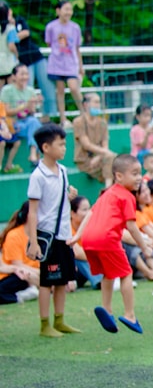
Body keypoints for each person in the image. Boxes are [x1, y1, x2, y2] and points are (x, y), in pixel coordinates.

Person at [71, 154, 153, 333]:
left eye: (140, 173)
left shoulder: (107, 193)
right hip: (107, 239)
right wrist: (144, 246)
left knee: (108, 274)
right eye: (134, 173)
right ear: (119, 176)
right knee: (126, 273)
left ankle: (107, 310)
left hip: (89, 239)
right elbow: (131, 226)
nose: (139, 178)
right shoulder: (127, 197)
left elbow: (90, 214)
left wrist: (77, 236)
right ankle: (130, 314)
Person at [24, 124, 78, 336]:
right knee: (47, 281)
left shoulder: (62, 171)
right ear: (46, 147)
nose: (64, 148)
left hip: (64, 233)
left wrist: (69, 195)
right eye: (60, 144)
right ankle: (45, 323)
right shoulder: (38, 176)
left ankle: (59, 320)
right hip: (48, 235)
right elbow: (33, 211)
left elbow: (59, 200)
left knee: (62, 279)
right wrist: (33, 241)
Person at [44, 0, 84, 128]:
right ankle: (63, 119)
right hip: (56, 63)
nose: (68, 12)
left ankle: (84, 113)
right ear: (58, 11)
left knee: (74, 87)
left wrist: (81, 66)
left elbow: (77, 48)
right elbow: (49, 43)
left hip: (71, 63)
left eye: (70, 9)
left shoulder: (75, 27)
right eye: (66, 9)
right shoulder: (51, 27)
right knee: (60, 90)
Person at [13, 8, 56, 118]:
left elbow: (26, 33)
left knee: (48, 86)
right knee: (28, 88)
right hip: (23, 61)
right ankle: (29, 116)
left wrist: (11, 38)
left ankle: (50, 116)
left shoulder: (19, 20)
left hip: (36, 56)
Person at [1, 64, 42, 169]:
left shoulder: (30, 90)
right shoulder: (7, 90)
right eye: (22, 74)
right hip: (11, 124)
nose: (25, 77)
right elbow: (6, 112)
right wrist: (25, 106)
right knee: (34, 126)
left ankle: (33, 154)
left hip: (26, 122)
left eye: (26, 74)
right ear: (14, 76)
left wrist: (34, 105)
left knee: (34, 122)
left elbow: (31, 113)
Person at [0, 202, 41, 305]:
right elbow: (16, 265)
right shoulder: (14, 236)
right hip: (12, 277)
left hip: (26, 274)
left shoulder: (42, 236)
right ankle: (22, 295)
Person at [72, 93, 116, 185]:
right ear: (86, 104)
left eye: (99, 102)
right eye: (95, 102)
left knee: (115, 164)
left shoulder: (102, 123)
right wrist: (105, 153)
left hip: (100, 158)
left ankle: (108, 188)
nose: (98, 105)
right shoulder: (79, 122)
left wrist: (99, 157)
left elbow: (105, 145)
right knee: (111, 159)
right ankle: (108, 189)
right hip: (84, 160)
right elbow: (86, 145)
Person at [69, 196, 103, 290]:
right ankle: (101, 281)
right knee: (79, 258)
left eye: (89, 209)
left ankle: (110, 278)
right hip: (72, 271)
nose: (89, 213)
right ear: (72, 214)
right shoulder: (67, 229)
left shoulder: (91, 227)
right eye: (84, 210)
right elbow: (77, 253)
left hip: (87, 270)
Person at [0, 2, 19, 86]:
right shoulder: (10, 28)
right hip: (9, 62)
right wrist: (17, 54)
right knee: (12, 88)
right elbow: (11, 46)